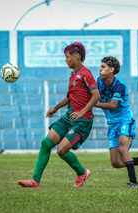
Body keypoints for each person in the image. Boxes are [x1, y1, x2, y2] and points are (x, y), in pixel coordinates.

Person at [18, 42, 101, 187]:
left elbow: (96, 96)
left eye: (67, 57)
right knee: (46, 143)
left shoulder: (86, 74)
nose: (65, 60)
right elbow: (71, 96)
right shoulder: (73, 75)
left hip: (82, 121)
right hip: (69, 117)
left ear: (76, 57)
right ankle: (35, 181)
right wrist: (55, 108)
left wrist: (81, 113)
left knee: (61, 150)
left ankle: (82, 172)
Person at [95, 56, 138, 188]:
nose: (100, 70)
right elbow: (94, 95)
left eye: (103, 67)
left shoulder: (119, 84)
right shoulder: (100, 81)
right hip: (112, 123)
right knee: (115, 163)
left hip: (124, 120)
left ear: (111, 70)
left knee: (122, 148)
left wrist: (92, 104)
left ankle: (134, 182)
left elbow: (113, 105)